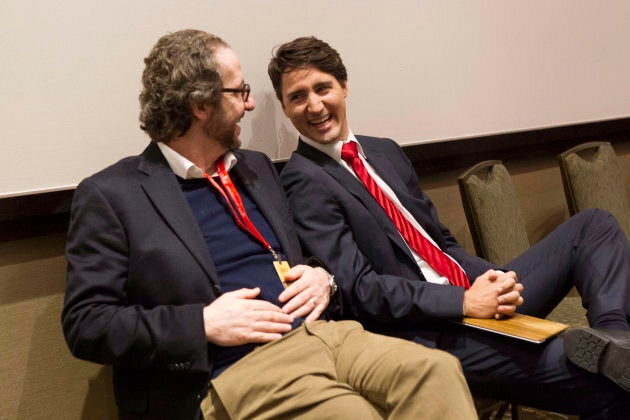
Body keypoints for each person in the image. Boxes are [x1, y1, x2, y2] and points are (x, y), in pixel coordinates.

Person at [61, 29, 477, 420]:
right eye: (239, 90)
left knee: (435, 371)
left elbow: (307, 253)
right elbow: (87, 323)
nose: (251, 103)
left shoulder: (254, 169)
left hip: (326, 336)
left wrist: (321, 277)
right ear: (201, 105)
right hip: (235, 368)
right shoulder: (113, 194)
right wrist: (202, 322)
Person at [270, 35, 630, 418]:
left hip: (469, 295)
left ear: (344, 86)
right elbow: (360, 290)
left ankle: (615, 336)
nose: (314, 105)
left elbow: (439, 243)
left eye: (322, 88)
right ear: (286, 108)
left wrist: (490, 280)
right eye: (297, 97)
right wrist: (464, 302)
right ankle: (613, 355)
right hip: (430, 330)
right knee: (604, 381)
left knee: (595, 225)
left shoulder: (383, 150)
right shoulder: (303, 181)